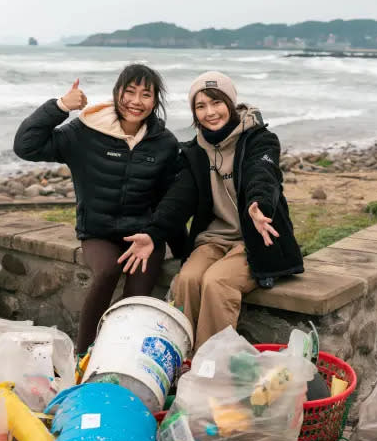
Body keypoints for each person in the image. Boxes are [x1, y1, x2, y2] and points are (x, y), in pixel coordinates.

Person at [118, 71, 303, 350]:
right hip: (214, 239)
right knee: (188, 280)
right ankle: (179, 357)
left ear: (230, 103)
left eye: (216, 103)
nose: (210, 112)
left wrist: (258, 205)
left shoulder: (259, 140)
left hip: (255, 239)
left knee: (217, 283)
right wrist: (154, 234)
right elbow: (179, 199)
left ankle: (211, 365)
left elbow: (262, 174)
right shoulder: (195, 151)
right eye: (200, 106)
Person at [13, 64, 184, 353]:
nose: (136, 101)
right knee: (107, 271)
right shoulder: (85, 131)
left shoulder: (163, 143)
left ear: (155, 101)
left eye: (146, 94)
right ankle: (83, 352)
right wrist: (59, 106)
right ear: (117, 93)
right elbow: (26, 146)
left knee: (137, 300)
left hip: (144, 236)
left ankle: (122, 353)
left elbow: (170, 198)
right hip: (98, 232)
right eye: (129, 92)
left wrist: (179, 248)